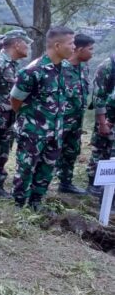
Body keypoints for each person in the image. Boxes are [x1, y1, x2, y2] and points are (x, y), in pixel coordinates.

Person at [10, 26, 75, 210]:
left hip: (55, 131)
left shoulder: (65, 69)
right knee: (26, 168)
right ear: (57, 45)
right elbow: (15, 100)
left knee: (47, 168)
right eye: (71, 43)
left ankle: (36, 202)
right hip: (33, 131)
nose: (74, 47)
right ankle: (19, 204)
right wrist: (29, 120)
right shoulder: (33, 71)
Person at [0, 29, 31, 199]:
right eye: (26, 43)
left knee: (1, 152)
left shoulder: (12, 64)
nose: (27, 47)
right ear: (17, 43)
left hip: (7, 118)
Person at [54, 34, 95, 195]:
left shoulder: (84, 68)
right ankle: (39, 187)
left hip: (76, 120)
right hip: (60, 120)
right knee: (52, 153)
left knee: (71, 151)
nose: (92, 53)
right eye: (90, 49)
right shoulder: (60, 68)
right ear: (79, 49)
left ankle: (65, 182)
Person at [85, 51, 115, 196]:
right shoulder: (107, 66)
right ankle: (94, 184)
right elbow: (98, 97)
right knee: (100, 149)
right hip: (106, 116)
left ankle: (109, 186)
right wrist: (103, 122)